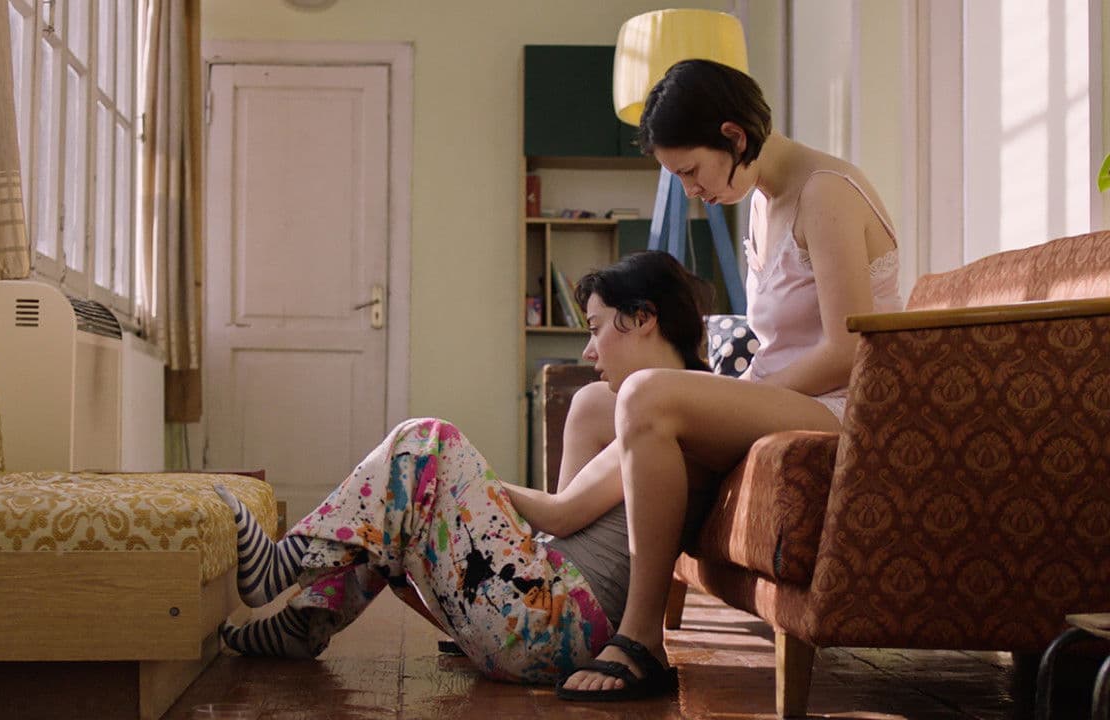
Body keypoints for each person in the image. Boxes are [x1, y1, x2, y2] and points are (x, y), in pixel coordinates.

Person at [554, 58, 903, 699]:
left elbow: (849, 349)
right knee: (595, 403)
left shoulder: (825, 193)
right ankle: (561, 595)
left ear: (734, 138)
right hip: (786, 398)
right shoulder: (763, 205)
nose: (690, 191)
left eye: (691, 171)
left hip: (840, 406)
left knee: (645, 394)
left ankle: (640, 639)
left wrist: (741, 395)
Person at [211, 250, 709, 690]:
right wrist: (437, 493)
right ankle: (304, 623)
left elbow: (560, 514)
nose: (588, 350)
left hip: (558, 623)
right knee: (398, 505)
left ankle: (285, 565)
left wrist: (449, 481)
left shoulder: (667, 416)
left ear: (643, 318)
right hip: (549, 616)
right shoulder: (661, 411)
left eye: (596, 328)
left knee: (427, 440)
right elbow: (563, 532)